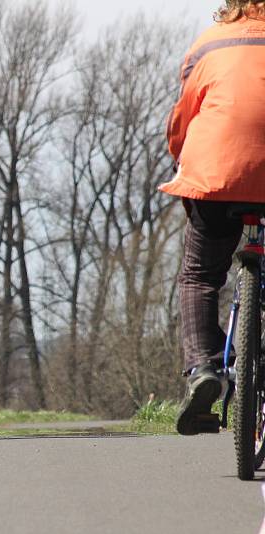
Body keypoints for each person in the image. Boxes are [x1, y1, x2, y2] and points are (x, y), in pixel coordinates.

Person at [160, 0, 265, 435]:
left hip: (217, 173)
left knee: (200, 278)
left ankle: (204, 368)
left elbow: (182, 121)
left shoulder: (209, 44)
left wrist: (183, 163)